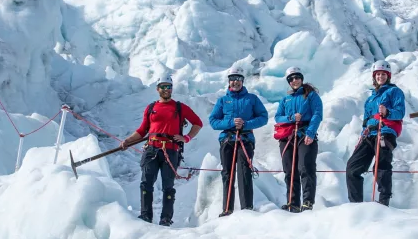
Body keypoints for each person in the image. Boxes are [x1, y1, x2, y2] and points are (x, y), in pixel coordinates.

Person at [121, 75, 203, 227]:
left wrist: (187, 138)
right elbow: (142, 130)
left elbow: (197, 123)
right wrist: (128, 141)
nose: (166, 89)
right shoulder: (151, 108)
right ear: (157, 89)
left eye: (169, 86)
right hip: (151, 148)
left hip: (171, 150)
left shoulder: (180, 107)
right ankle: (146, 216)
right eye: (163, 86)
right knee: (146, 183)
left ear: (172, 88)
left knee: (168, 186)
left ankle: (166, 218)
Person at [209, 66, 269, 217]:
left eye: (238, 79)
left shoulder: (252, 99)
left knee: (244, 172)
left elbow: (263, 117)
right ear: (229, 82)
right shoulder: (223, 100)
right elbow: (213, 121)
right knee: (227, 173)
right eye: (232, 79)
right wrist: (230, 123)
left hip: (245, 139)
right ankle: (227, 209)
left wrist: (246, 124)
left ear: (242, 81)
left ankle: (246, 208)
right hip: (227, 139)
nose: (235, 82)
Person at [345, 60, 406, 206]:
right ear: (374, 76)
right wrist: (362, 134)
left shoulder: (394, 91)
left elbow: (400, 112)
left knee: (381, 166)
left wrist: (387, 112)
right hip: (369, 133)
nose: (380, 76)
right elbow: (366, 120)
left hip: (386, 131)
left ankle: (384, 202)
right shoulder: (370, 98)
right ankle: (355, 204)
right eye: (378, 74)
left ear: (388, 76)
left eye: (383, 74)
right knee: (352, 168)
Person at [274, 66, 323, 212]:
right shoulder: (286, 99)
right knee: (290, 170)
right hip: (288, 136)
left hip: (305, 134)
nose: (294, 80)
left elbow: (317, 114)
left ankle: (307, 201)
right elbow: (278, 117)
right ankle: (292, 202)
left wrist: (311, 133)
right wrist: (290, 118)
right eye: (291, 79)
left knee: (305, 167)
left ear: (301, 78)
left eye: (297, 77)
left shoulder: (311, 95)